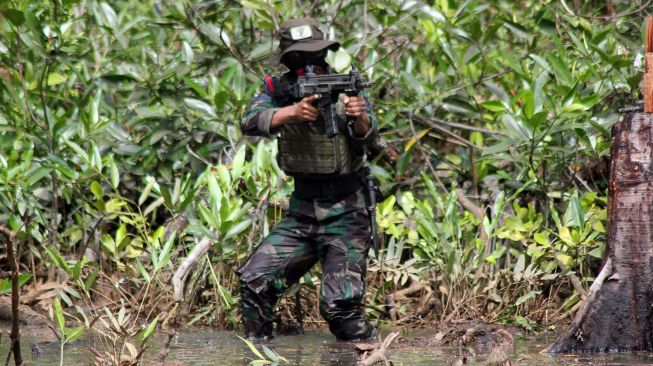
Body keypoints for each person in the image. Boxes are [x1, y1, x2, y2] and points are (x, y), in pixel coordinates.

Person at [236, 17, 378, 341]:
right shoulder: (276, 90)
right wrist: (292, 113)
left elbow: (368, 137)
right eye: (300, 57)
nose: (309, 65)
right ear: (288, 59)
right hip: (302, 210)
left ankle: (367, 354)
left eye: (314, 56)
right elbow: (249, 121)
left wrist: (358, 115)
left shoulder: (344, 86)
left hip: (346, 212)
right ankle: (260, 356)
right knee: (255, 280)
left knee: (340, 308)